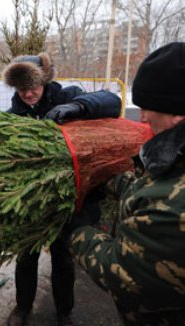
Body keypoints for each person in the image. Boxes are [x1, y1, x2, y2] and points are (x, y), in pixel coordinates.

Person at [68, 42, 185, 326]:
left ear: (177, 114)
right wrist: (111, 179)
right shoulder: (175, 156)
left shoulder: (176, 212)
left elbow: (123, 273)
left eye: (147, 108)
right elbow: (155, 186)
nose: (141, 117)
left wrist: (75, 231)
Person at [2, 52, 122, 326]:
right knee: (26, 258)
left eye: (33, 86)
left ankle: (64, 312)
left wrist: (78, 108)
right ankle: (23, 308)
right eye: (22, 89)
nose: (28, 94)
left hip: (70, 201)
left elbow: (112, 101)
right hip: (30, 204)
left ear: (44, 80)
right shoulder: (12, 117)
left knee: (64, 259)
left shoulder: (66, 96)